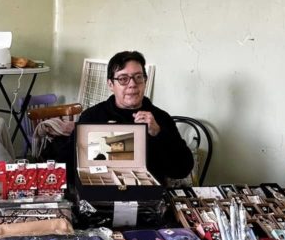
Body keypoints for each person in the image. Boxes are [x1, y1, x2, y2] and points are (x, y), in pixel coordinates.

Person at [72, 51, 195, 184]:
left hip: (148, 198)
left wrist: (158, 134)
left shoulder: (160, 118)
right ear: (110, 85)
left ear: (145, 81)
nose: (132, 84)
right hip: (100, 193)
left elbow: (182, 170)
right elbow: (68, 164)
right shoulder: (92, 116)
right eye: (123, 79)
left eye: (138, 77)